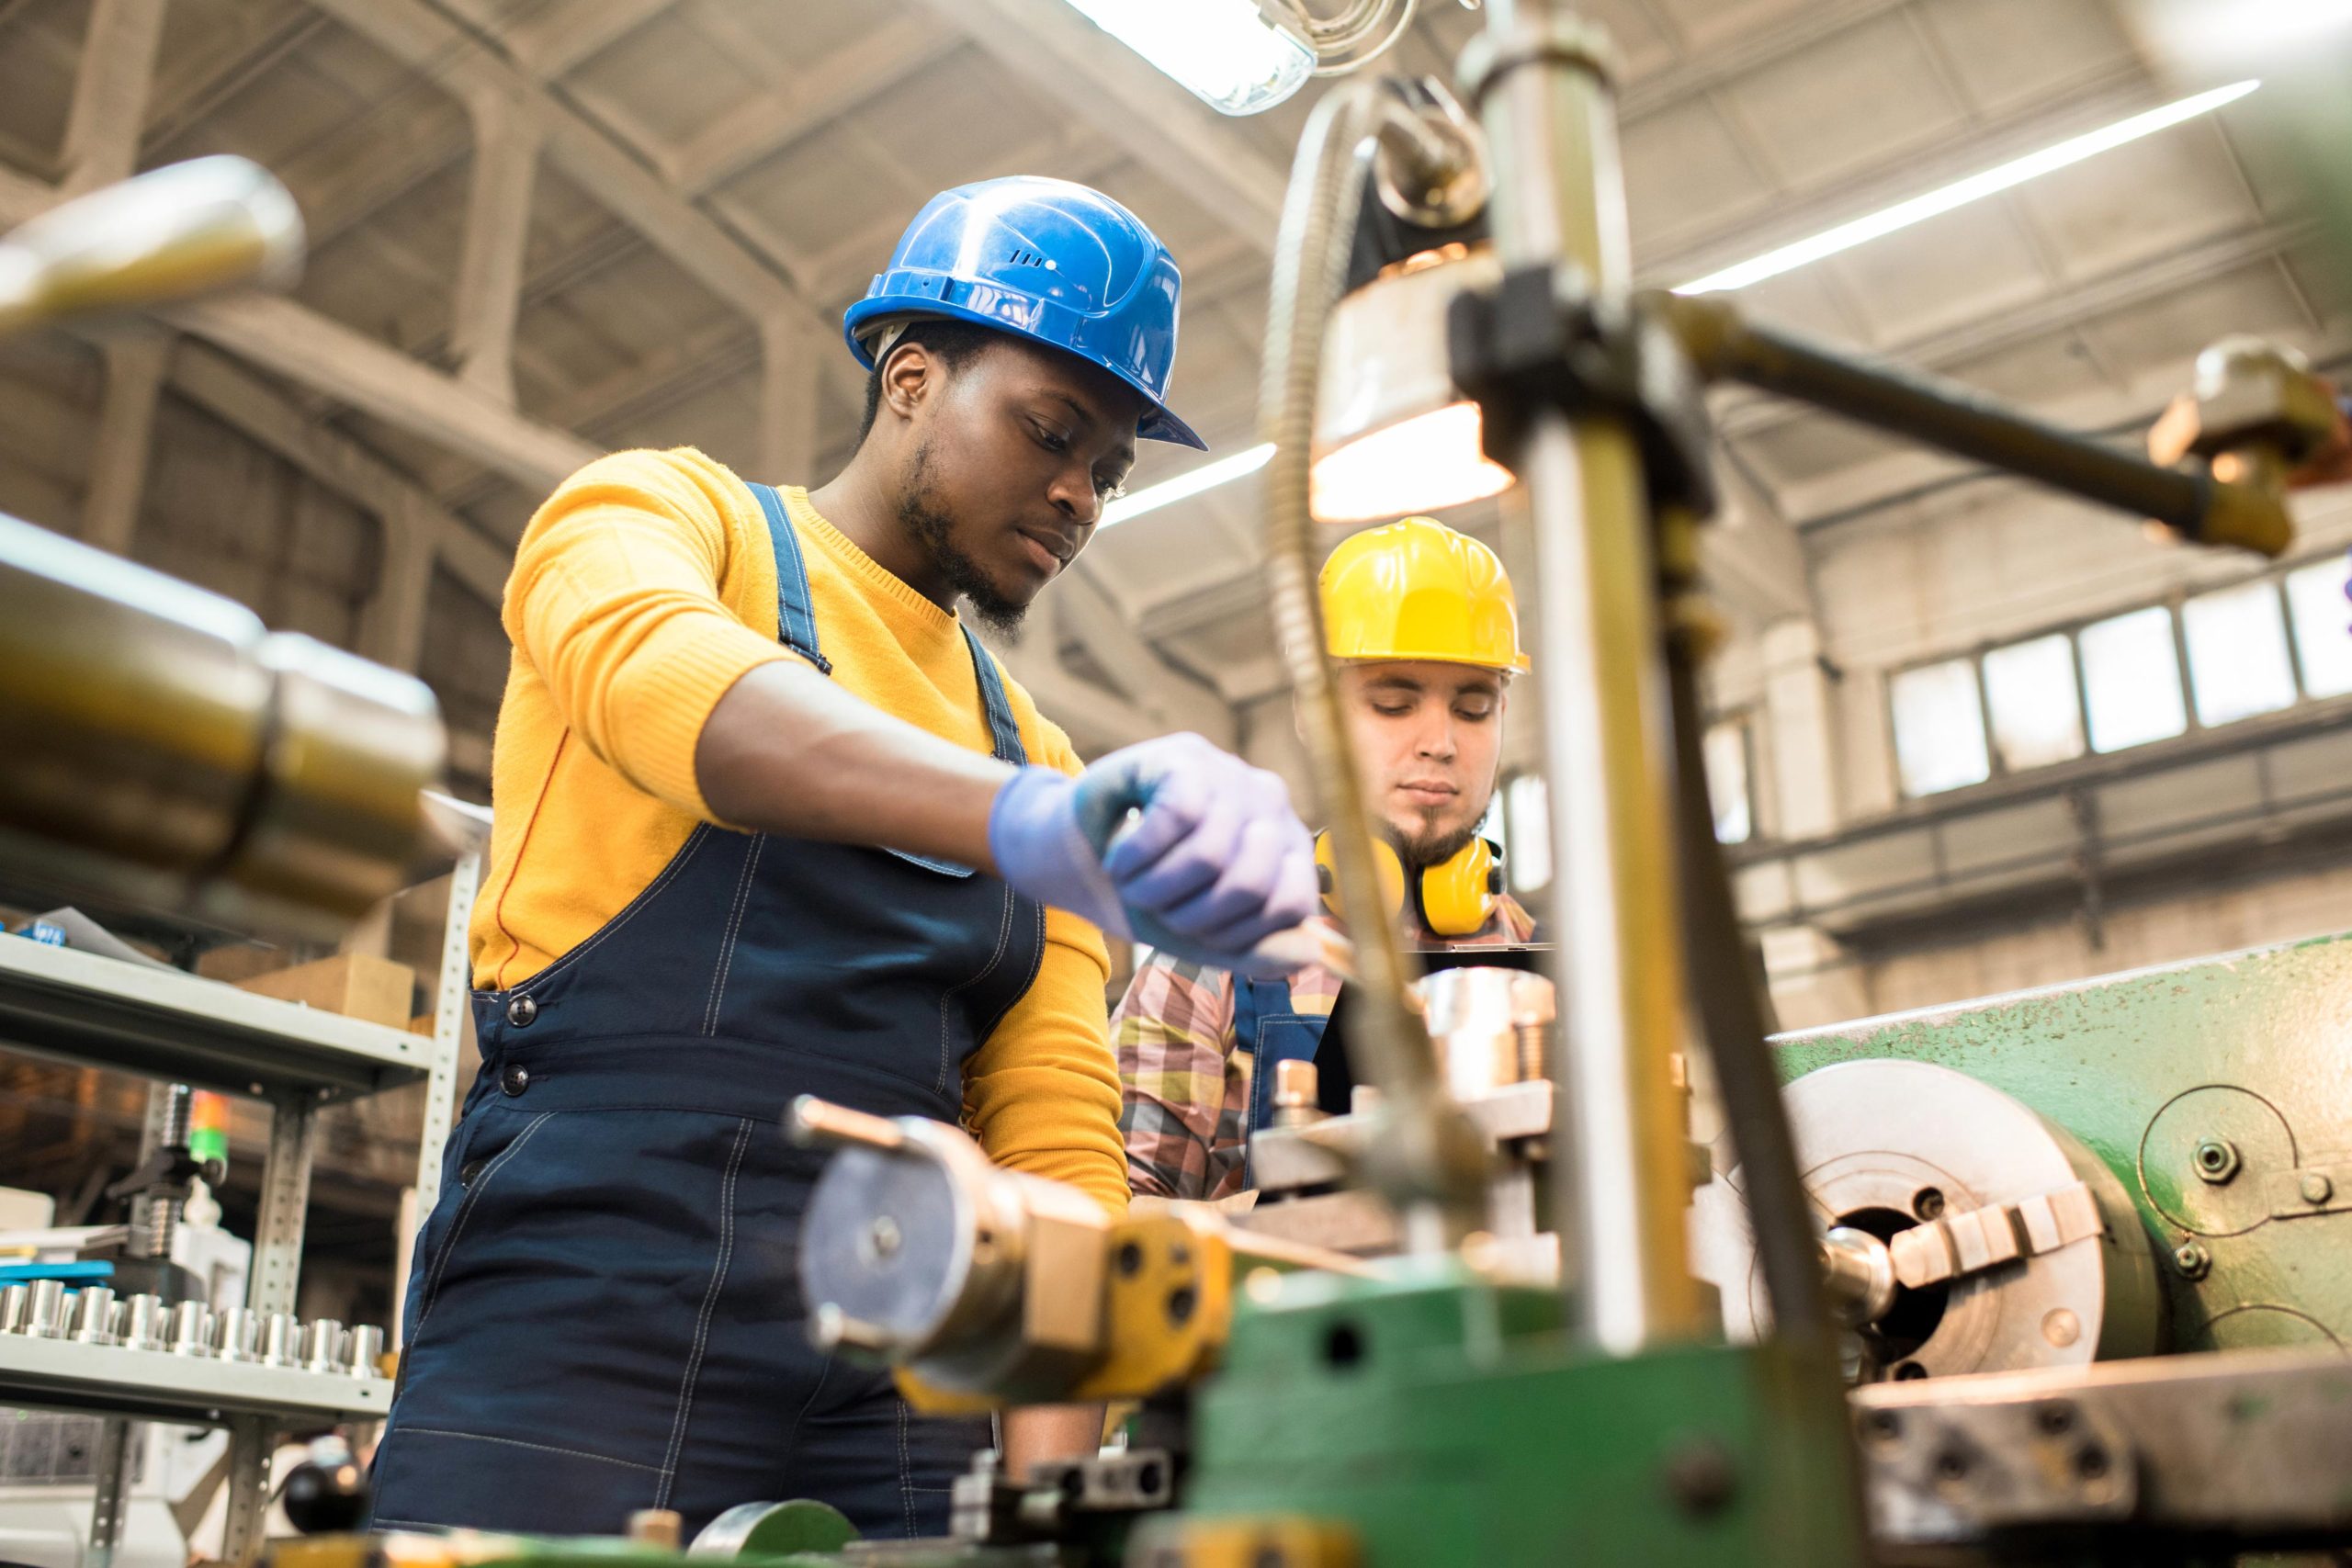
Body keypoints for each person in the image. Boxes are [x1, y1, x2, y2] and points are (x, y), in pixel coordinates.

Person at [366, 177, 1317, 1540]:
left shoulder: (1031, 741)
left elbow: (1053, 1136)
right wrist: (1024, 824)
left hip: (910, 1338)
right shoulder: (670, 520)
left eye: (1108, 470)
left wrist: (1050, 1496)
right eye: (1051, 431)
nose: (1078, 494)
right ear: (912, 376)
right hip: (590, 1283)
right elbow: (665, 680)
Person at [1115, 517, 1537, 1201]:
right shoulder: (1210, 954)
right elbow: (1121, 1225)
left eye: (1473, 706)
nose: (1440, 741)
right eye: (1395, 703)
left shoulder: (1532, 961)